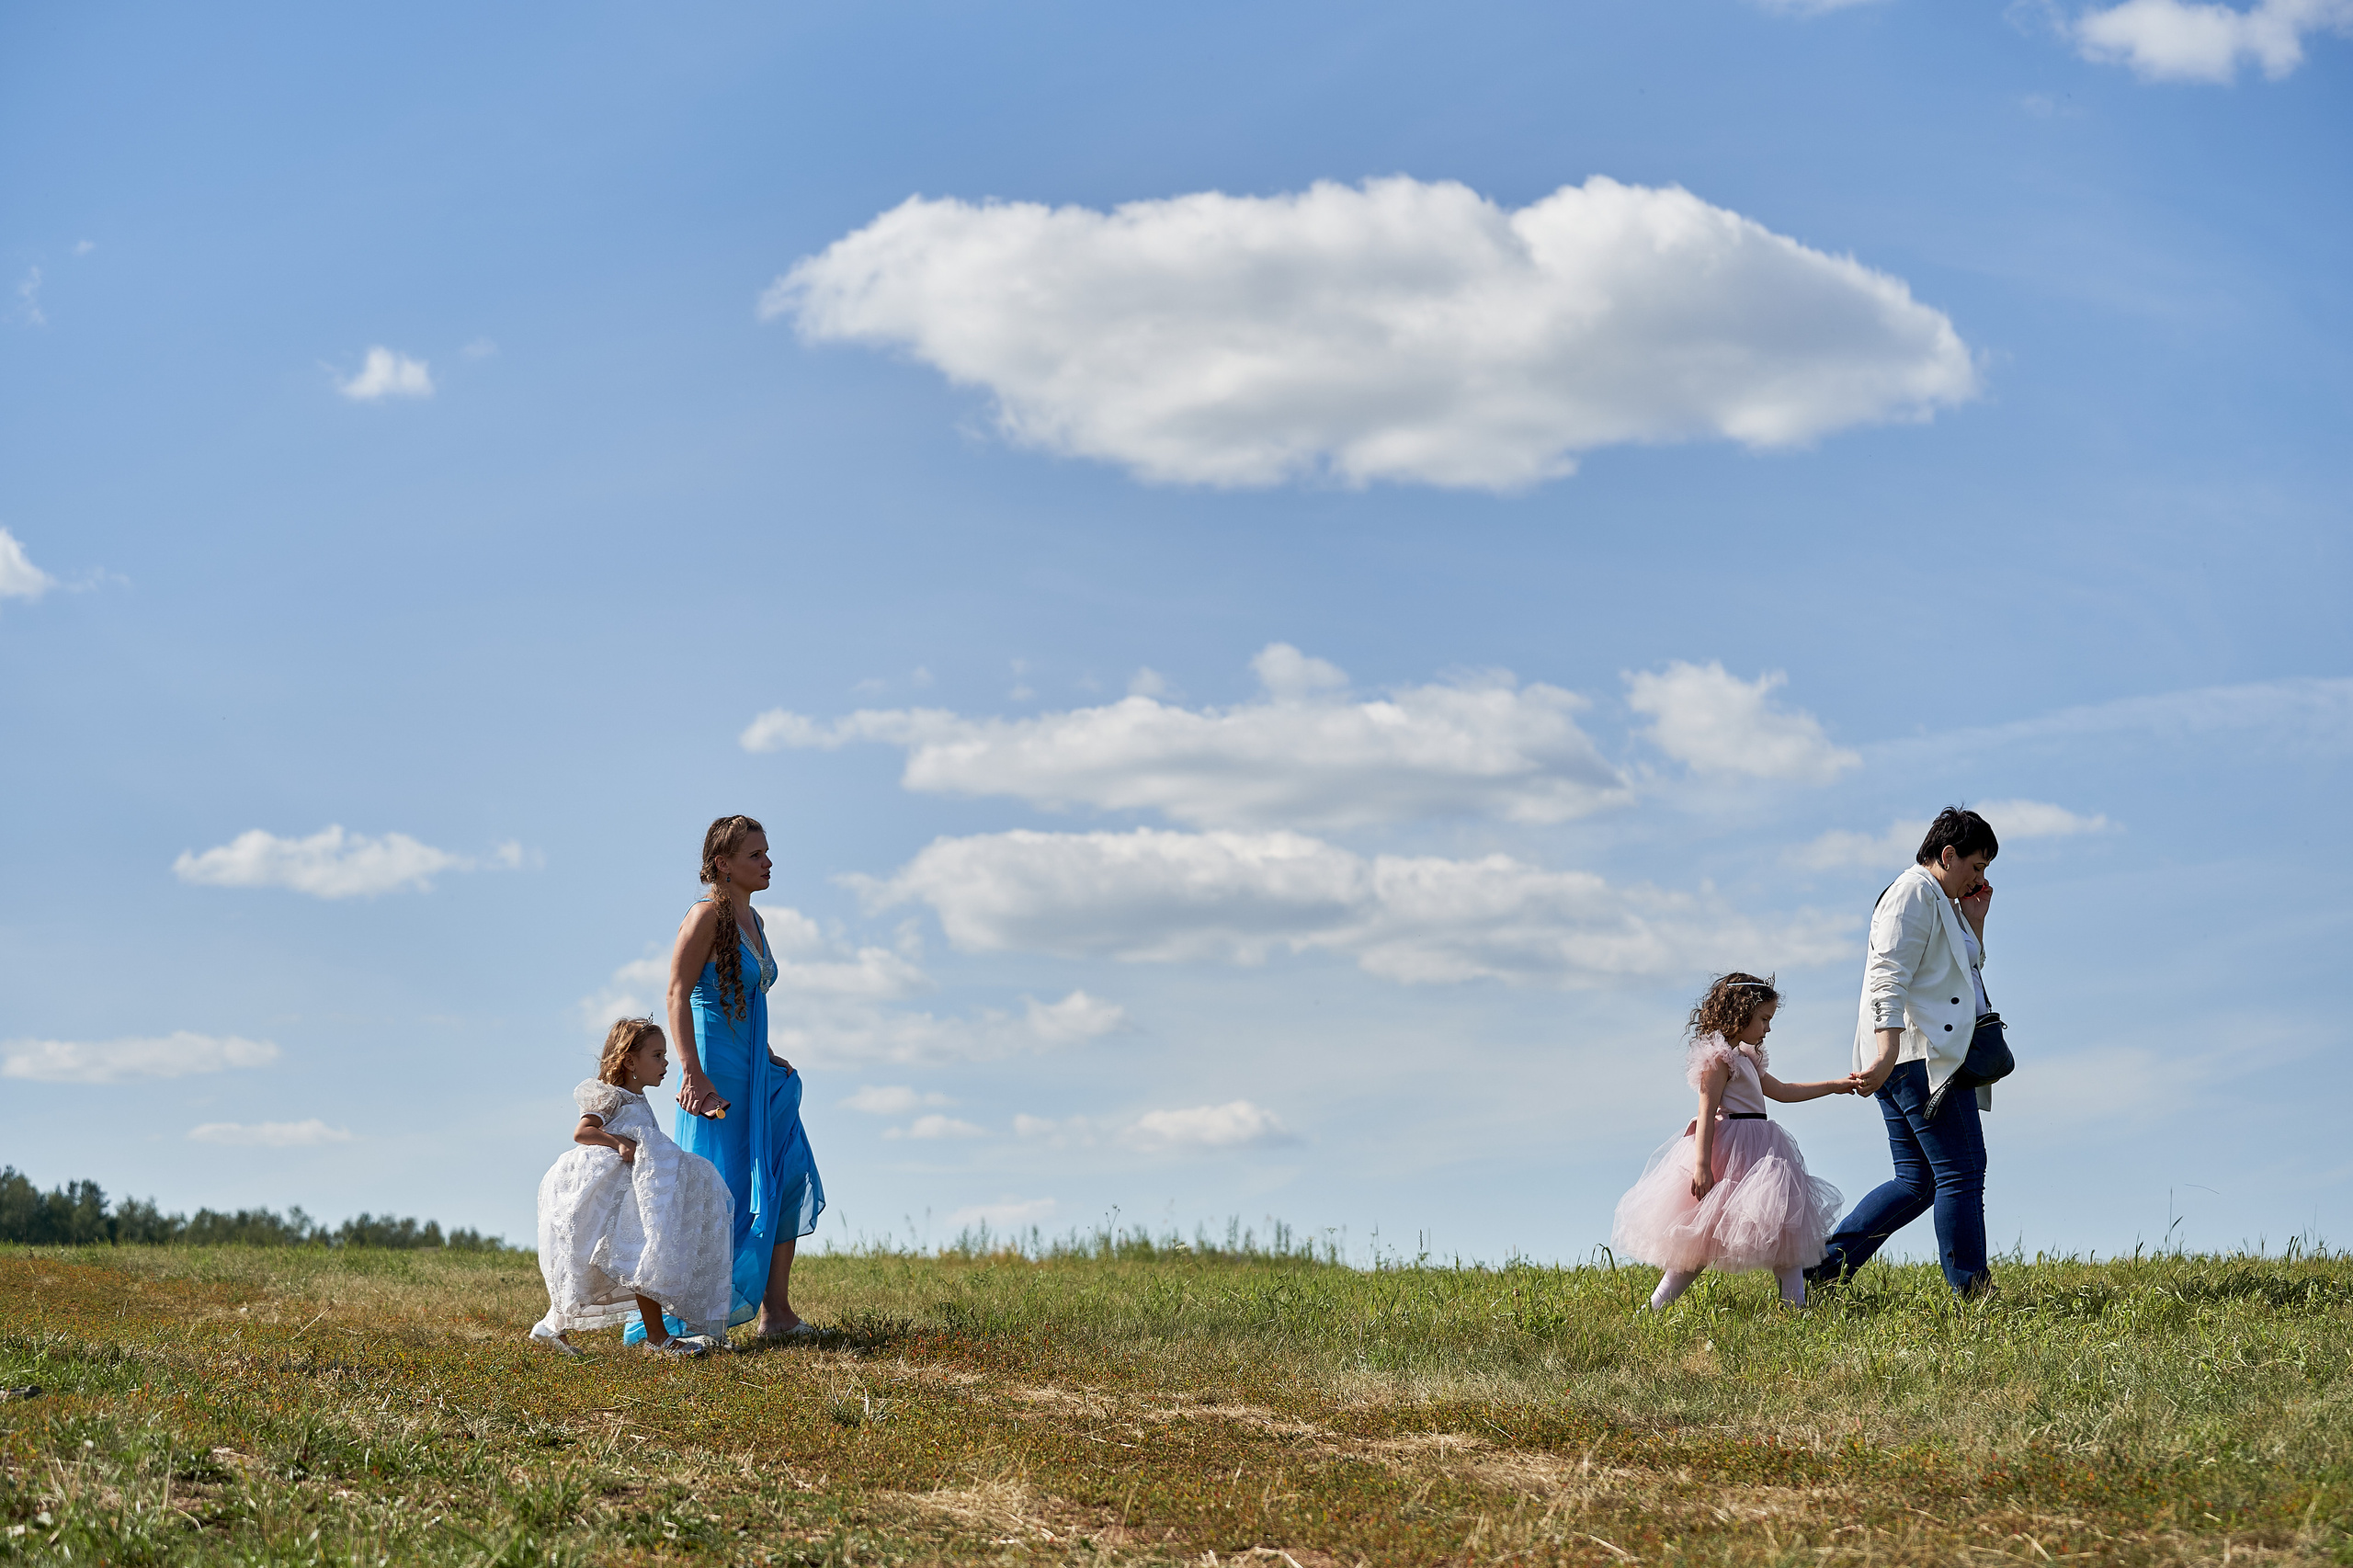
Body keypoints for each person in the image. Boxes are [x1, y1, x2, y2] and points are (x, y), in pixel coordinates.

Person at [634, 813, 826, 1345]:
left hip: (754, 1066)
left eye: (766, 854)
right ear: (723, 864)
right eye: (756, 856)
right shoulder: (703, 917)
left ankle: (777, 1313)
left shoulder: (756, 922)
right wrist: (692, 1072)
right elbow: (678, 994)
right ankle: (698, 1314)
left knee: (787, 1175)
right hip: (716, 1071)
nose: (768, 864)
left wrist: (766, 1052)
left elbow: (746, 997)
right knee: (723, 1190)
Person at [1809, 806, 1999, 1296]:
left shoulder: (1942, 899)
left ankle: (1819, 1272)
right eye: (1975, 866)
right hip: (1920, 1058)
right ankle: (1972, 1293)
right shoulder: (1914, 892)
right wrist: (1887, 1052)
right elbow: (1886, 976)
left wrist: (1974, 920)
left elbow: (1958, 970)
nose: (1979, 878)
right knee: (1961, 1170)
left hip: (1910, 1056)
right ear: (1948, 853)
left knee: (1917, 1181)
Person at [1611, 972, 1855, 1310]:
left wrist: (1834, 1085)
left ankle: (1795, 1309)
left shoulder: (1748, 1058)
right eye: (1764, 1019)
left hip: (1763, 1152)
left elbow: (1782, 1091)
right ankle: (1653, 1308)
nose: (1768, 1029)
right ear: (1740, 1015)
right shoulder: (1718, 1060)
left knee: (1785, 1231)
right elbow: (1706, 1112)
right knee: (1697, 1244)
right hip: (1731, 1153)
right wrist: (1701, 1166)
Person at [530, 1017, 734, 1357]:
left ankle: (657, 1338)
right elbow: (582, 1132)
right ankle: (556, 1327)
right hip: (608, 1191)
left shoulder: (639, 1100)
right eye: (657, 1055)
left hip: (633, 1195)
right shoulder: (611, 1097)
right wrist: (618, 1142)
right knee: (598, 1265)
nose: (665, 1063)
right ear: (629, 1061)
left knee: (642, 1259)